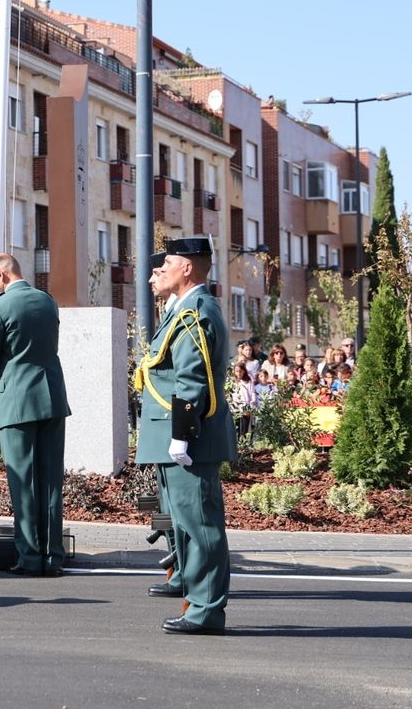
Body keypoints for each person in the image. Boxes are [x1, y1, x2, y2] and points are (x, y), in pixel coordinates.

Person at [132, 237, 235, 635]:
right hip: (177, 434)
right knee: (187, 526)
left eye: (168, 263)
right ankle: (196, 601)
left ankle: (206, 610)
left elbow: (192, 379)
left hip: (190, 438)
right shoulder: (187, 309)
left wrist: (182, 435)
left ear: (187, 268)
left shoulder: (196, 312)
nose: (159, 272)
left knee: (201, 526)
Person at [0, 253, 71, 577]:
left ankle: (30, 557)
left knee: (23, 481)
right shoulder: (47, 301)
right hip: (52, 397)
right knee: (51, 482)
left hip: (19, 400)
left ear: (1, 274)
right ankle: (52, 557)